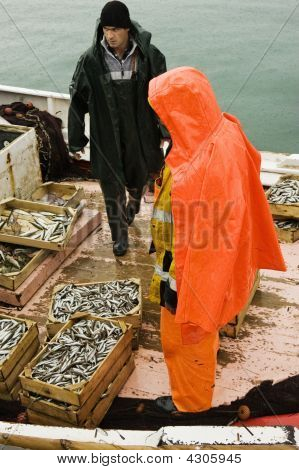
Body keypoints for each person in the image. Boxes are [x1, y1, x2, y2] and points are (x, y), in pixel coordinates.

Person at [148, 67, 286, 413]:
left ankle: (190, 407)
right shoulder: (224, 130)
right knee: (193, 333)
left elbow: (204, 239)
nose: (162, 121)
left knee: (188, 336)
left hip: (187, 274)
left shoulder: (198, 170)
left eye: (165, 113)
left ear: (182, 112)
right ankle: (190, 391)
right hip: (186, 263)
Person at [68, 1, 167, 256]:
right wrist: (76, 141)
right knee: (111, 184)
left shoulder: (150, 56)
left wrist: (168, 132)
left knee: (140, 177)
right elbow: (78, 99)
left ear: (128, 30)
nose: (110, 36)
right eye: (105, 30)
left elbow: (164, 96)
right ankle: (118, 235)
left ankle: (133, 203)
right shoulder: (90, 60)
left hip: (141, 131)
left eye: (115, 29)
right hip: (106, 134)